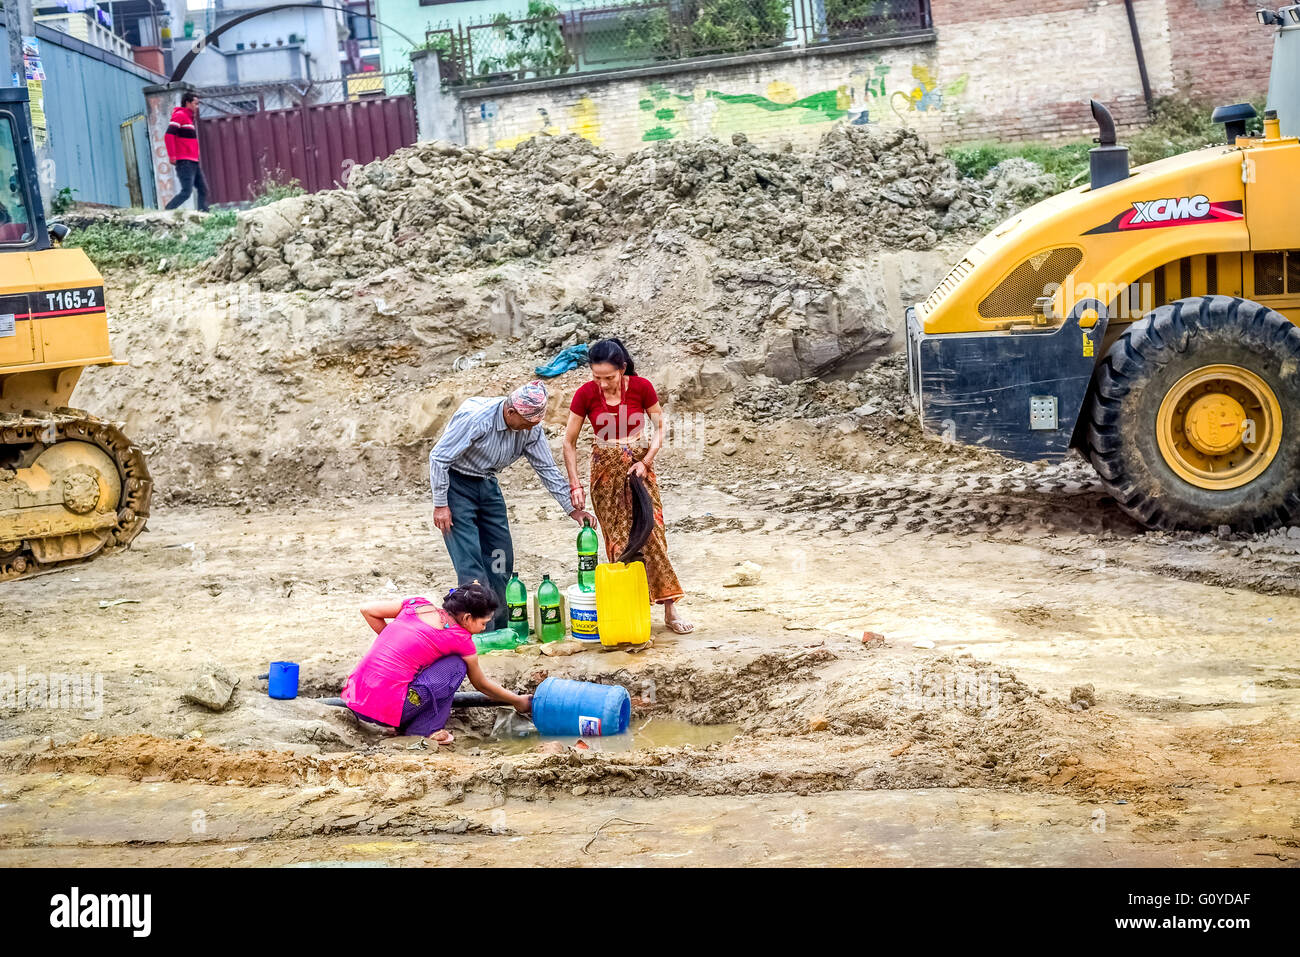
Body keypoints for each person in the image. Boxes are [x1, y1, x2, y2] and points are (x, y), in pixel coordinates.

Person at [429, 380, 595, 631]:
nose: (531, 429)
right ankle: (478, 630)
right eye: (527, 424)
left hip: (487, 483)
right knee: (471, 564)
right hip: (456, 484)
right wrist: (441, 504)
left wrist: (572, 508)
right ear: (510, 413)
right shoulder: (477, 420)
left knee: (500, 559)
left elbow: (546, 468)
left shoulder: (531, 429)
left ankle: (503, 626)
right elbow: (439, 458)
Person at [562, 338, 693, 634]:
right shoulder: (585, 394)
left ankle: (670, 608)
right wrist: (575, 484)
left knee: (653, 532)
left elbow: (661, 428)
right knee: (619, 541)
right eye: (597, 377)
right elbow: (568, 442)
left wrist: (645, 462)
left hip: (639, 469)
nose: (603, 383)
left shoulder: (642, 387)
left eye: (609, 377)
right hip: (604, 475)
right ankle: (632, 608)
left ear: (622, 369)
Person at [341, 582, 530, 745]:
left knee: (433, 664)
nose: (484, 629)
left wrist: (393, 642)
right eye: (483, 623)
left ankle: (399, 719)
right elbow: (480, 683)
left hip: (356, 697)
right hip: (386, 708)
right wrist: (517, 700)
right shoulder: (460, 638)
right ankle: (423, 730)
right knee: (456, 666)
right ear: (466, 618)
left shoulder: (415, 604)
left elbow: (368, 610)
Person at [164, 92, 209, 212]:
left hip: (193, 161)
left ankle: (204, 215)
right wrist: (172, 156)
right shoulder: (180, 115)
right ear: (187, 103)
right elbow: (169, 135)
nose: (197, 107)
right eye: (196, 104)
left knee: (203, 189)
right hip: (184, 161)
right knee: (186, 192)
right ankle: (167, 211)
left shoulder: (189, 118)